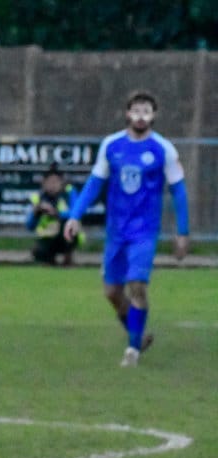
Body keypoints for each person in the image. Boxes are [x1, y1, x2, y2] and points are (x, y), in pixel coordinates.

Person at [64, 90, 189, 367]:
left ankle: (132, 350)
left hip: (144, 231)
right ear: (127, 113)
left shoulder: (163, 149)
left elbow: (178, 191)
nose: (141, 116)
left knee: (137, 286)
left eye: (146, 111)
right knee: (112, 292)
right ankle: (137, 335)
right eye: (136, 110)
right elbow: (94, 183)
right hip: (116, 230)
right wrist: (75, 215)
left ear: (154, 116)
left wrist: (183, 232)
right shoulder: (111, 145)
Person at [25, 163, 82, 266]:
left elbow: (76, 213)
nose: (52, 186)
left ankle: (68, 258)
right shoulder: (39, 198)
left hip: (64, 237)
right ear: (44, 183)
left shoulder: (68, 193)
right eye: (50, 182)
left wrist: (56, 213)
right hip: (48, 237)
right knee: (39, 251)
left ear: (61, 182)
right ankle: (49, 260)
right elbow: (29, 226)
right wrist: (36, 213)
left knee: (68, 226)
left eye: (55, 182)